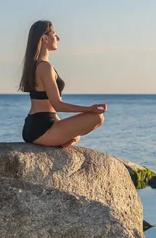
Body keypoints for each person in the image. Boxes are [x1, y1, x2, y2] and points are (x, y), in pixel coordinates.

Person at [18, 20, 107, 148]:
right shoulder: (44, 67)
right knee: (97, 117)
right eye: (54, 34)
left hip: (38, 124)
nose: (58, 38)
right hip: (41, 127)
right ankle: (58, 143)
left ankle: (60, 142)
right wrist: (89, 109)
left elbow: (50, 107)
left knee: (77, 135)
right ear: (45, 38)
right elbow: (57, 105)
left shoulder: (36, 65)